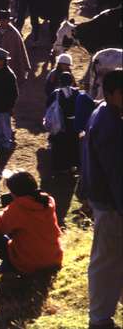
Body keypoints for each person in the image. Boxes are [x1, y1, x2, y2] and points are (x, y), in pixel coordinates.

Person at [84, 69, 123, 329]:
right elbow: (117, 173)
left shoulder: (103, 113)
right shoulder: (110, 126)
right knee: (106, 261)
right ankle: (100, 318)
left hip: (106, 201)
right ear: (110, 94)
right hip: (112, 205)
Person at [0, 171, 63, 274]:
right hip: (54, 258)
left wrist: (7, 208)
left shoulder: (17, 207)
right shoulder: (49, 201)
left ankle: (7, 265)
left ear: (14, 192)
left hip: (28, 264)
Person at [0, 9, 31, 81]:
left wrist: (25, 66)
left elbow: (21, 50)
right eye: (1, 20)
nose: (2, 22)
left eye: (4, 20)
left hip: (10, 65)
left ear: (8, 21)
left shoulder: (14, 33)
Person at [46, 72, 80, 174]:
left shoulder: (56, 93)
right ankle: (72, 165)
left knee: (59, 145)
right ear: (72, 81)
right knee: (73, 145)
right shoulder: (77, 93)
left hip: (59, 123)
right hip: (73, 123)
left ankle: (60, 167)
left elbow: (48, 106)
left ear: (60, 82)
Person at [0, 47, 19, 152]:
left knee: (5, 126)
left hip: (4, 107)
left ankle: (6, 144)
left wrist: (10, 106)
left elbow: (14, 93)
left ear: (2, 60)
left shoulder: (9, 75)